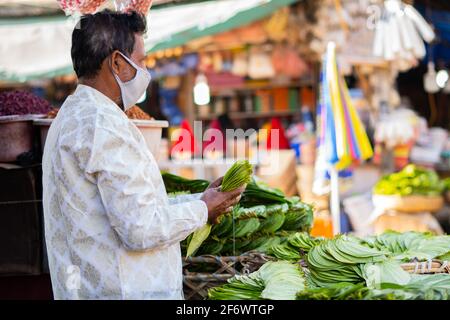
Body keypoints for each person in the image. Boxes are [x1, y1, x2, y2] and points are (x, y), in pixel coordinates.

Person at [42, 10, 244, 300]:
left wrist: (200, 200)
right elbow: (141, 229)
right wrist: (202, 211)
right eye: (141, 61)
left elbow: (128, 210)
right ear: (116, 62)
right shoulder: (103, 124)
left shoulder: (73, 114)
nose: (145, 71)